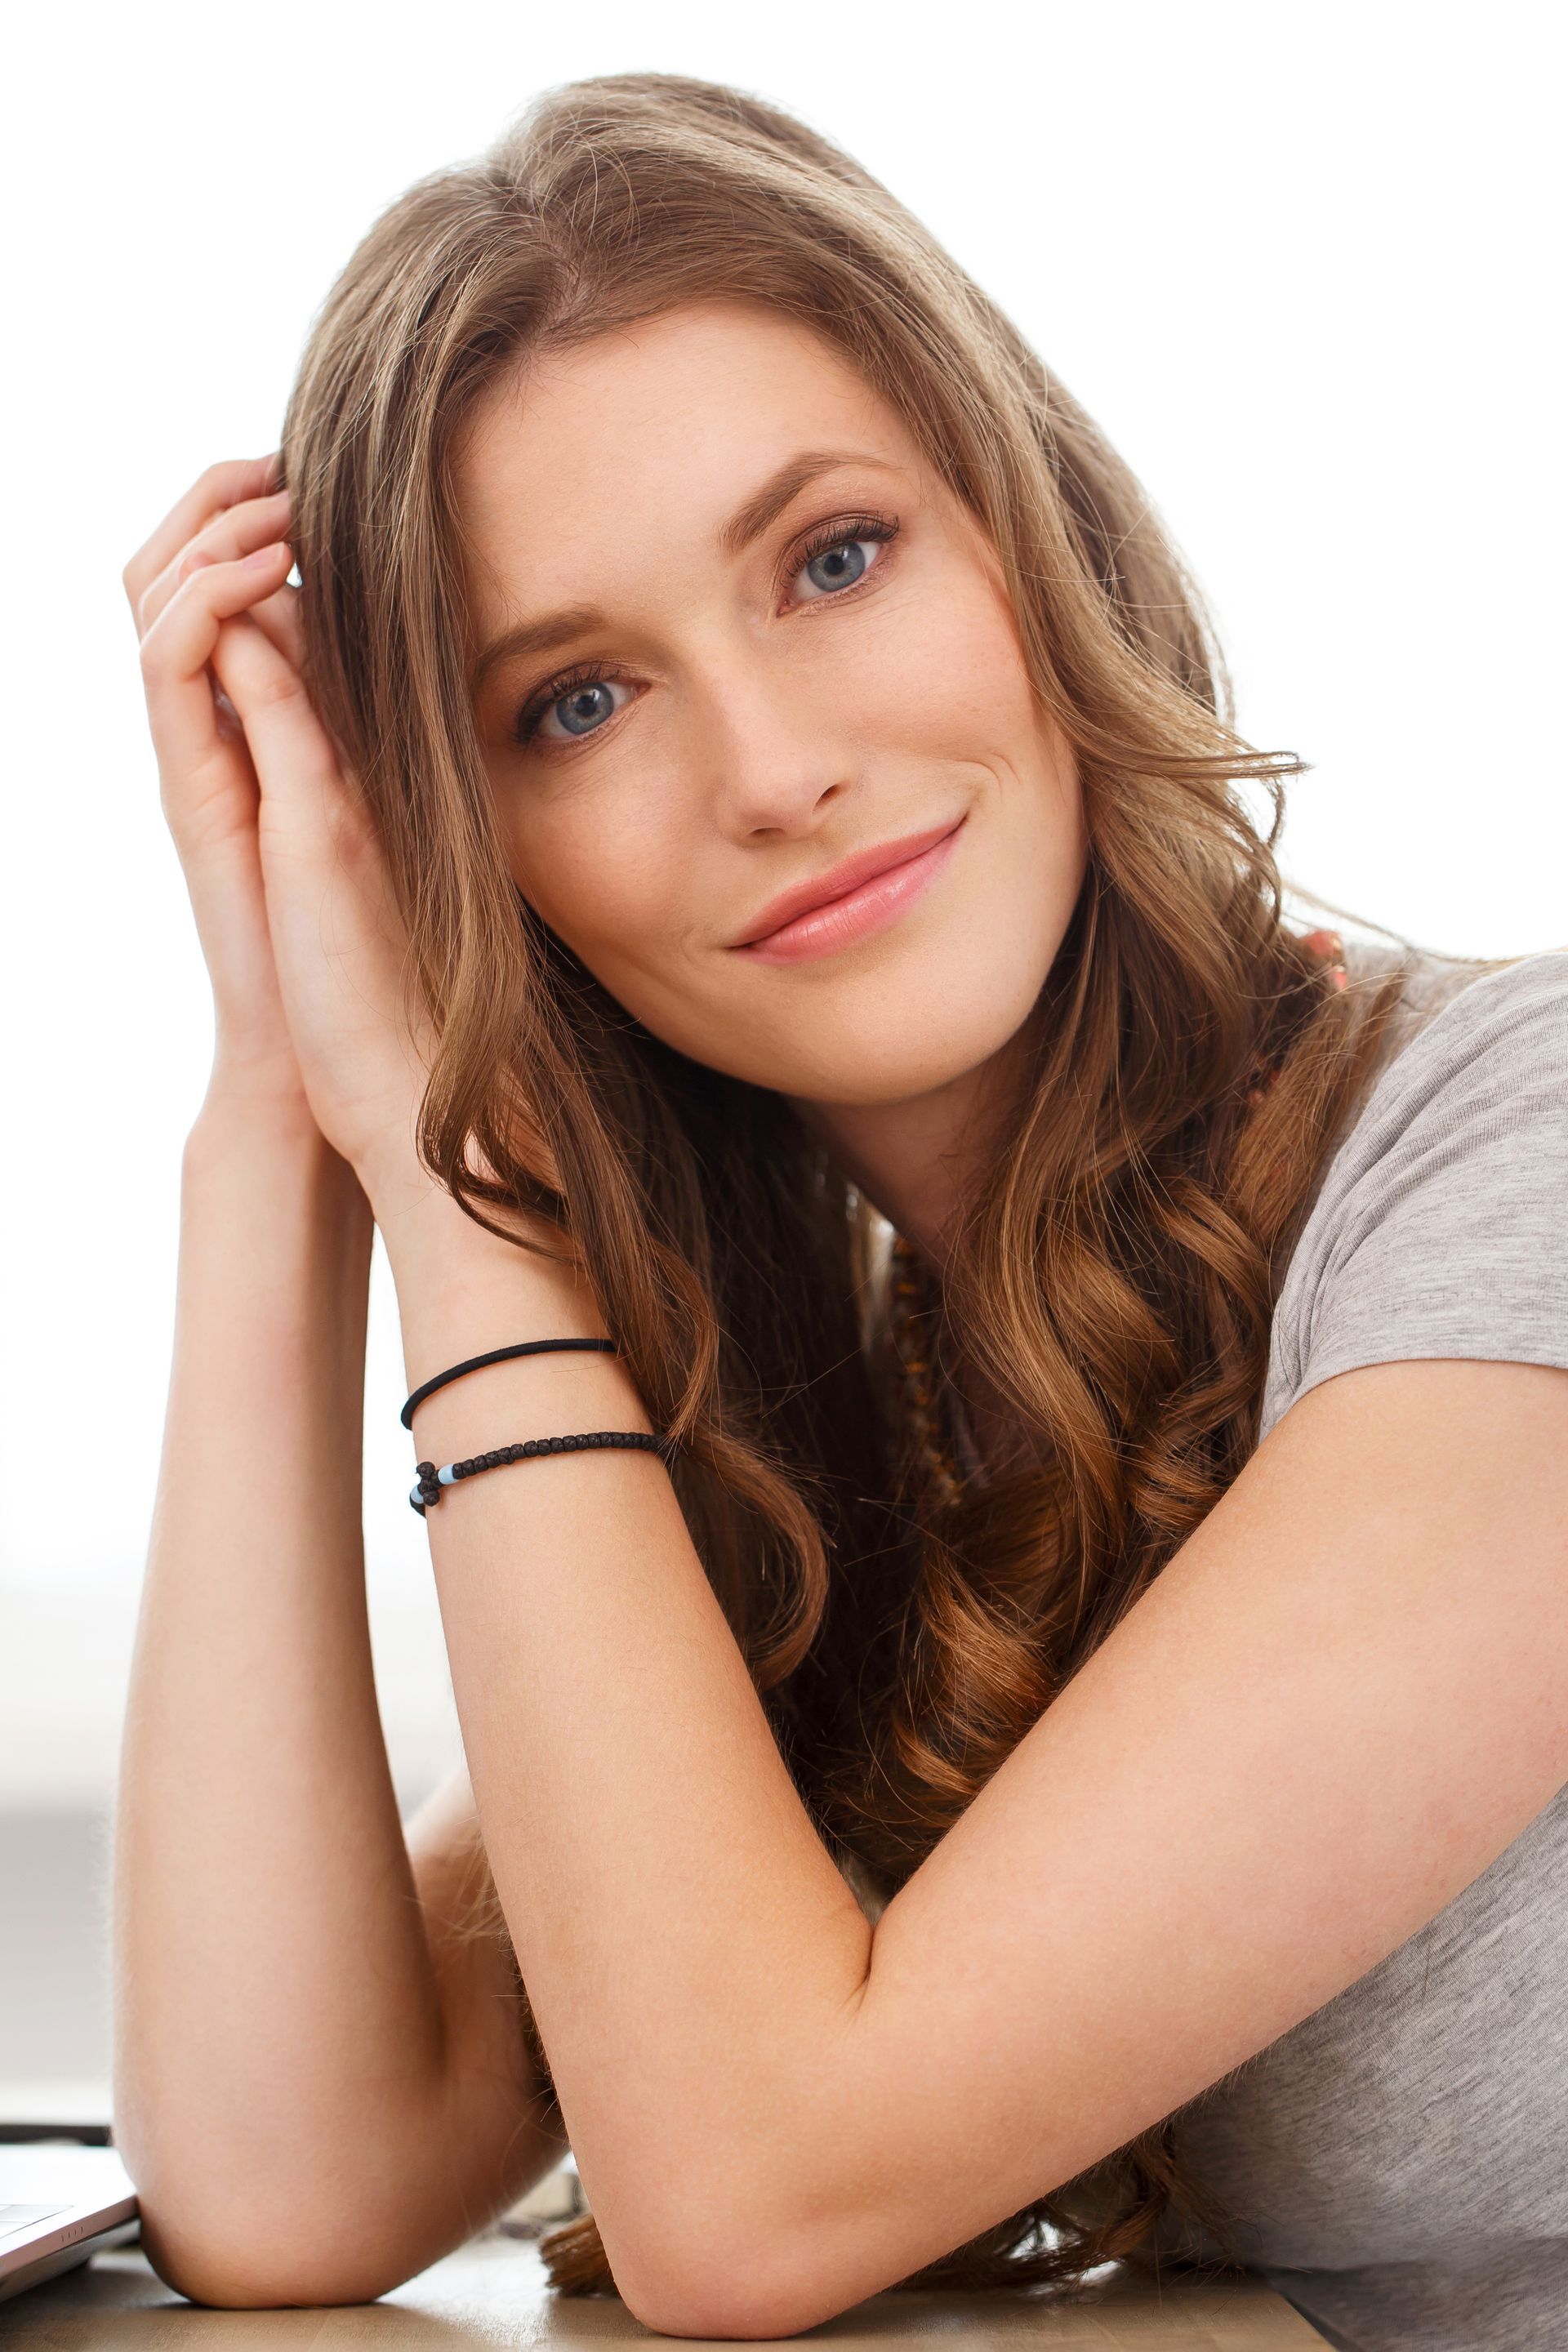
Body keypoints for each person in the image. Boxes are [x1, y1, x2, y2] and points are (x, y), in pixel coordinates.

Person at [113, 70, 1568, 2350]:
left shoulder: (1519, 1156)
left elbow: (747, 2199)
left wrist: (436, 1149)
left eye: (836, 557)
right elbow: (291, 2178)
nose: (772, 766)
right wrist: (290, 1114)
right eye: (576, 700)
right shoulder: (855, 1427)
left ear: (1040, 533)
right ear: (469, 860)